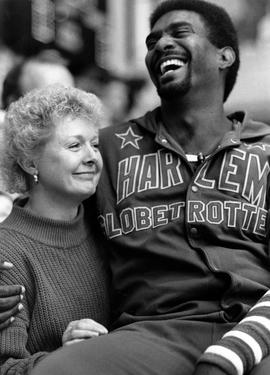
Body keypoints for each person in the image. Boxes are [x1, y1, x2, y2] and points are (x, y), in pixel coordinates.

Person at [1, 0, 270, 374]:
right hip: (153, 334)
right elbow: (37, 209)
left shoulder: (265, 152)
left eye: (179, 33)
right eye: (152, 40)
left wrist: (238, 350)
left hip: (258, 332)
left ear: (224, 56)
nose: (160, 44)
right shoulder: (106, 149)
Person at [0, 84, 111, 374]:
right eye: (74, 145)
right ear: (29, 162)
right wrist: (62, 357)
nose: (92, 157)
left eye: (95, 144)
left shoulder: (103, 224)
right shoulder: (7, 251)